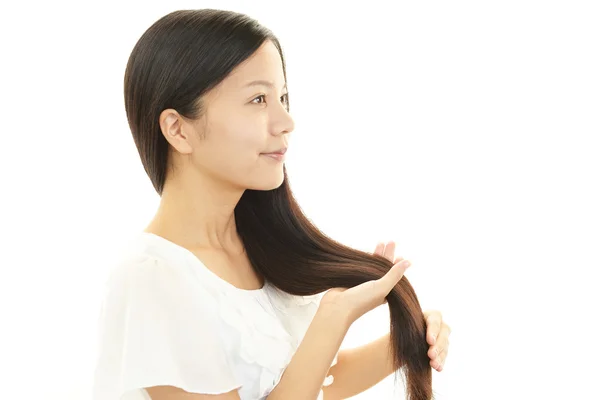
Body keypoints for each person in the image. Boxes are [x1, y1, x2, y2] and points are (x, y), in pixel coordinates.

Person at [92, 8, 451, 400]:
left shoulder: (257, 250)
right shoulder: (153, 277)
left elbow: (312, 381)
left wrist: (410, 338)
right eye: (258, 99)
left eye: (283, 97)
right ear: (178, 129)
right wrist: (333, 318)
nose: (286, 121)